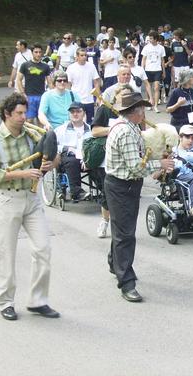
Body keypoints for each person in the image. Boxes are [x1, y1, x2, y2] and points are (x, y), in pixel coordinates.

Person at [0, 92, 59, 321]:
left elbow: (52, 161)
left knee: (43, 249)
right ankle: (5, 301)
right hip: (7, 199)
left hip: (32, 199)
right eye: (19, 113)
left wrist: (50, 161)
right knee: (7, 253)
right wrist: (23, 172)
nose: (24, 117)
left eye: (25, 112)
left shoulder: (31, 135)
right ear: (7, 114)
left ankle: (38, 301)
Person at [105, 92, 174, 302]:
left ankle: (114, 263)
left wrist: (159, 153)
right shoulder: (125, 131)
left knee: (121, 229)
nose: (144, 112)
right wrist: (159, 164)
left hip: (124, 185)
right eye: (142, 108)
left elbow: (139, 157)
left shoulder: (131, 126)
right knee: (125, 235)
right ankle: (126, 282)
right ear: (135, 111)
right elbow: (135, 167)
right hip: (122, 185)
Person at [90, 85, 132, 238]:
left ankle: (122, 226)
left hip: (127, 157)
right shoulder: (105, 109)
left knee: (126, 195)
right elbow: (94, 131)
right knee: (108, 195)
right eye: (123, 95)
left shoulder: (131, 112)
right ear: (116, 96)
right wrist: (114, 128)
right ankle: (105, 221)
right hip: (107, 158)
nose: (125, 98)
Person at [54, 102, 92, 202]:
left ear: (84, 113)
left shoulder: (91, 130)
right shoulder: (61, 130)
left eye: (78, 111)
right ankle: (76, 192)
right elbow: (53, 145)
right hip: (68, 160)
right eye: (72, 112)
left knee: (97, 161)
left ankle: (105, 191)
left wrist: (87, 159)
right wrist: (67, 148)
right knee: (72, 160)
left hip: (86, 160)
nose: (75, 114)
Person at [17, 44, 52, 125]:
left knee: (41, 120)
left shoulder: (46, 66)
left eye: (40, 52)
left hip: (42, 96)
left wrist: (52, 94)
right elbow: (19, 80)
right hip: (29, 96)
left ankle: (41, 138)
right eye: (36, 52)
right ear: (32, 53)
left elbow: (50, 82)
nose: (38, 54)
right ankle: (31, 137)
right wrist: (23, 94)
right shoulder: (25, 65)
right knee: (29, 121)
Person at [66, 47, 101, 123]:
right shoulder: (71, 68)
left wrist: (98, 97)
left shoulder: (91, 66)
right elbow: (68, 85)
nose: (84, 57)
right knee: (76, 121)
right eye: (82, 55)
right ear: (77, 56)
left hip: (89, 100)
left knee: (90, 122)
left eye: (85, 55)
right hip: (76, 99)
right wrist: (68, 98)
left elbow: (96, 82)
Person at [166, 68, 193, 136]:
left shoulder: (192, 91)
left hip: (192, 123)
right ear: (187, 79)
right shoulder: (176, 92)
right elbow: (168, 110)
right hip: (179, 125)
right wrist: (178, 104)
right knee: (180, 146)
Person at [141, 30, 165, 112]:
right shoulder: (146, 47)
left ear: (155, 39)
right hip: (148, 69)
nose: (149, 40)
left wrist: (163, 71)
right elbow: (143, 59)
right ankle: (149, 103)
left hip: (157, 69)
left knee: (157, 87)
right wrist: (142, 69)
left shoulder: (161, 48)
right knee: (148, 87)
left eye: (151, 38)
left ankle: (155, 105)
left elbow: (162, 60)